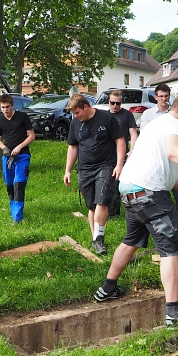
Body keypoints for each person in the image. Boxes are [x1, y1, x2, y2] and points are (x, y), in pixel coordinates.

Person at [94, 95, 178, 326]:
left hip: (129, 189)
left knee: (131, 240)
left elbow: (159, 165)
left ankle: (107, 289)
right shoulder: (176, 125)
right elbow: (173, 153)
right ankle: (173, 314)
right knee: (170, 250)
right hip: (150, 194)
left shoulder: (154, 125)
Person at [64, 94, 126, 255]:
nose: (76, 116)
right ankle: (95, 239)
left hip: (106, 165)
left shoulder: (106, 118)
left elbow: (120, 141)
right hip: (84, 169)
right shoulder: (75, 123)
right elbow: (73, 147)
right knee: (91, 206)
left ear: (86, 107)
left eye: (77, 112)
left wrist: (119, 165)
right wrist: (67, 170)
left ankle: (99, 239)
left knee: (102, 201)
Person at [139, 83, 178, 227]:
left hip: (174, 158)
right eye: (161, 96)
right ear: (155, 97)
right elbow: (145, 135)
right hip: (157, 158)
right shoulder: (148, 114)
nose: (164, 99)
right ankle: (165, 223)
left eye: (166, 96)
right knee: (161, 193)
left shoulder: (175, 113)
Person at [0, 93, 35, 225]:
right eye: (3, 107)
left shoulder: (22, 117)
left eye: (7, 107)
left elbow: (31, 136)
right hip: (7, 157)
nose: (5, 110)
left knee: (19, 184)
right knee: (10, 185)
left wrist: (19, 147)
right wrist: (4, 148)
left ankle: (17, 218)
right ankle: (14, 212)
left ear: (12, 106)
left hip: (22, 156)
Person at [107, 89, 137, 217]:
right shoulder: (105, 115)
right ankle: (112, 212)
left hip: (123, 154)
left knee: (121, 183)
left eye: (118, 103)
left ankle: (122, 211)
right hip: (108, 154)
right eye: (112, 103)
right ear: (109, 102)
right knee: (110, 183)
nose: (115, 106)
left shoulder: (127, 115)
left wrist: (132, 151)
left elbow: (133, 134)